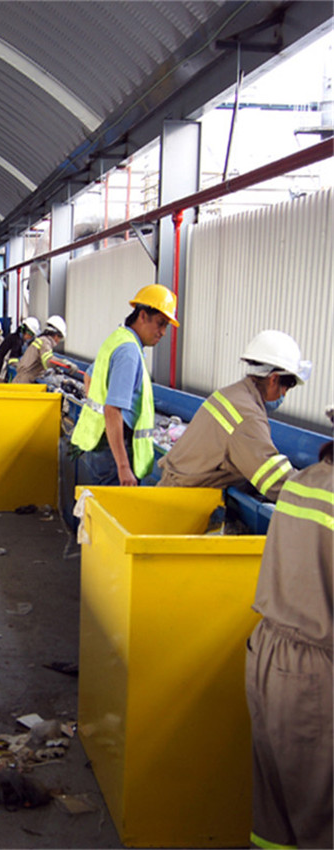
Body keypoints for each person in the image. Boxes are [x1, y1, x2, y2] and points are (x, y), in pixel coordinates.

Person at [244, 405, 332, 850]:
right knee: (319, 821)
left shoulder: (301, 481)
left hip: (266, 658)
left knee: (274, 817)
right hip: (313, 678)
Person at [158, 330, 312, 502]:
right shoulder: (247, 416)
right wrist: (318, 489)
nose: (284, 394)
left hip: (172, 486)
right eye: (288, 386)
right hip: (185, 501)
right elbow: (274, 481)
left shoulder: (229, 394)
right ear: (274, 379)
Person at [70, 283, 178, 486]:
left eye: (166, 326)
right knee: (112, 513)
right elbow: (112, 410)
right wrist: (123, 466)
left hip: (101, 444)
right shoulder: (129, 352)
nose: (163, 332)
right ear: (143, 315)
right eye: (160, 323)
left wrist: (97, 412)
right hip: (114, 452)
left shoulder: (117, 339)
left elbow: (89, 377)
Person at [12, 314, 67, 383]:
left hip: (21, 379)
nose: (59, 341)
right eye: (60, 338)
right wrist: (64, 363)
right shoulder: (45, 342)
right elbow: (48, 361)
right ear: (56, 335)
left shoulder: (41, 339)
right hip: (25, 382)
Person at [0, 317, 40, 383]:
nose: (31, 337)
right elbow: (12, 360)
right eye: (31, 334)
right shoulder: (16, 341)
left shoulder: (16, 338)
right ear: (24, 331)